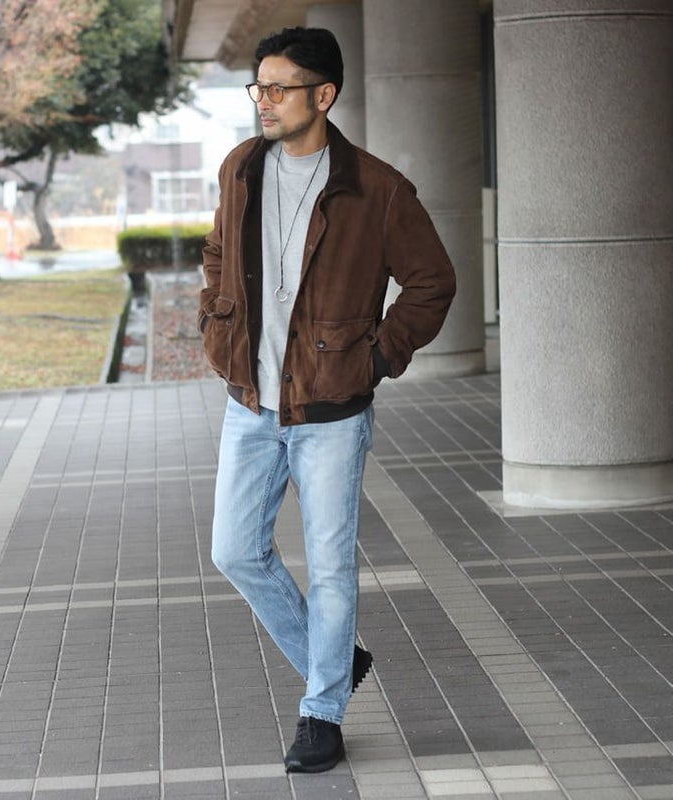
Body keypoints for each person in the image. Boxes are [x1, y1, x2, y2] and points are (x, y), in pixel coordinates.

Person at [199, 26, 456, 773]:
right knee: (234, 550)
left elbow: (432, 283)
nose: (264, 101)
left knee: (332, 567)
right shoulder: (242, 167)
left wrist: (375, 356)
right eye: (259, 87)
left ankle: (322, 712)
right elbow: (217, 252)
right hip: (250, 400)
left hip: (332, 413)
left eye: (279, 89)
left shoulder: (377, 189)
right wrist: (216, 319)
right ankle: (336, 659)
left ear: (324, 96)